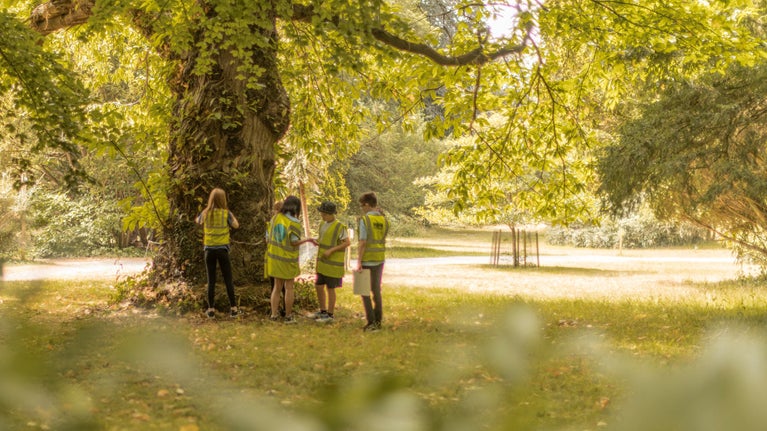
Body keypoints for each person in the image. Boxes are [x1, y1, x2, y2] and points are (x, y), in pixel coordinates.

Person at [266, 195, 316, 323]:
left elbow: (267, 238)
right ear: (296, 208)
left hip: (274, 259)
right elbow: (294, 242)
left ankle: (273, 315)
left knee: (276, 287)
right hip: (288, 260)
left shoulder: (275, 218)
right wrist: (308, 240)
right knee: (289, 287)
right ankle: (288, 316)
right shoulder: (294, 222)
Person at [196, 188, 240, 318]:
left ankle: (211, 309)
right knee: (228, 279)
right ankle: (233, 308)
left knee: (211, 280)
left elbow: (197, 221)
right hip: (222, 250)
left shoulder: (205, 213)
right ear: (223, 199)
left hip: (209, 250)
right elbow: (236, 225)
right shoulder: (226, 213)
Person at [356, 192, 389, 332]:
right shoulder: (384, 220)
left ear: (368, 204)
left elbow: (363, 242)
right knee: (376, 290)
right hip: (380, 259)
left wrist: (358, 261)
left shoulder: (365, 220)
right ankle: (378, 320)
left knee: (363, 291)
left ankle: (371, 322)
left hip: (367, 259)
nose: (362, 208)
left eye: (362, 205)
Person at [312, 201, 351, 323]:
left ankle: (330, 315)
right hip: (323, 263)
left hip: (333, 265)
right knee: (318, 286)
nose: (322, 216)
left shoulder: (340, 227)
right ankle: (322, 311)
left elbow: (347, 242)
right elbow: (323, 240)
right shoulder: (322, 224)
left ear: (330, 214)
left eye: (324, 214)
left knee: (330, 288)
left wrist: (331, 250)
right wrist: (316, 241)